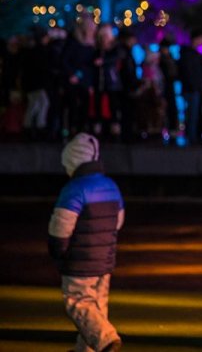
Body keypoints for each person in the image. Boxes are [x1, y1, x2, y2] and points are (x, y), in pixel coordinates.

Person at [48, 132, 124, 352]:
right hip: (104, 260)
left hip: (79, 261)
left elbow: (61, 227)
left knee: (78, 300)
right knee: (98, 305)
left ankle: (106, 340)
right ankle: (86, 349)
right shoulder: (111, 186)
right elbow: (118, 222)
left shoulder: (73, 190)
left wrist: (58, 250)